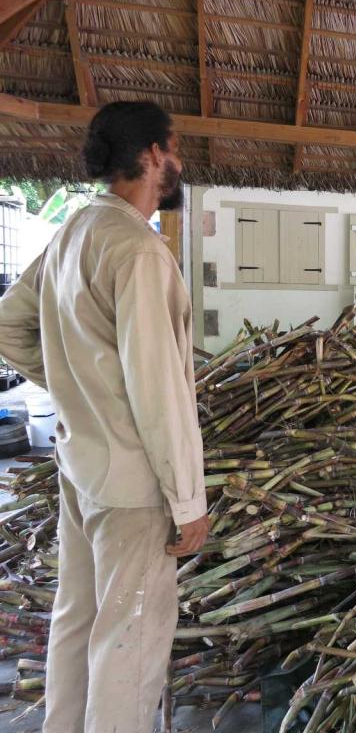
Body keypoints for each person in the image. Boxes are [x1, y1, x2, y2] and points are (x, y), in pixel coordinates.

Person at [0, 101, 209, 732]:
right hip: (133, 487)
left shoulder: (73, 232)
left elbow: (10, 326)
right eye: (173, 150)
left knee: (79, 621)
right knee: (131, 645)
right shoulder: (138, 253)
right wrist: (188, 500)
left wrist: (75, 388)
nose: (177, 163)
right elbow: (157, 391)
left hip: (81, 465)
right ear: (150, 155)